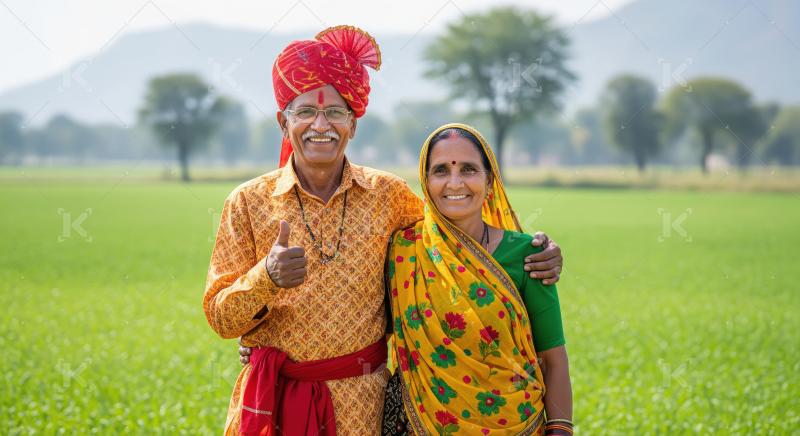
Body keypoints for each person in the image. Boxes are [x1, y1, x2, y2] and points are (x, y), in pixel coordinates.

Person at [206, 26, 565, 435]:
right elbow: (221, 319)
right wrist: (264, 279)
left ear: (353, 124)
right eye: (305, 112)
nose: (320, 124)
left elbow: (453, 250)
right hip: (273, 405)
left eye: (336, 112)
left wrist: (537, 252)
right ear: (283, 123)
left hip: (366, 408)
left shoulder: (389, 196)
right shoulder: (247, 203)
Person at [381, 124, 572, 435]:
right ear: (426, 182)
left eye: (468, 169)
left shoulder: (528, 255)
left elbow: (553, 359)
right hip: (422, 424)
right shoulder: (403, 251)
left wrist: (561, 429)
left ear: (489, 181)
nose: (455, 182)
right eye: (441, 171)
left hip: (517, 425)